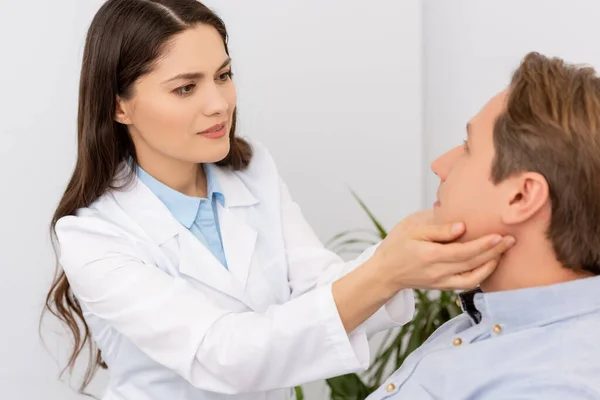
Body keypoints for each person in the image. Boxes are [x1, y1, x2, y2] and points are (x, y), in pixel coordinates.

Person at [43, 1, 514, 399]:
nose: (219, 104)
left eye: (223, 76)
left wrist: (413, 261)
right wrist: (388, 269)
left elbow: (318, 284)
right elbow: (225, 356)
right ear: (118, 105)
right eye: (186, 87)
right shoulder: (93, 235)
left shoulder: (252, 172)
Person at [367, 51, 600, 400]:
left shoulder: (549, 385)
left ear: (521, 197)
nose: (439, 165)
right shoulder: (486, 326)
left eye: (467, 148)